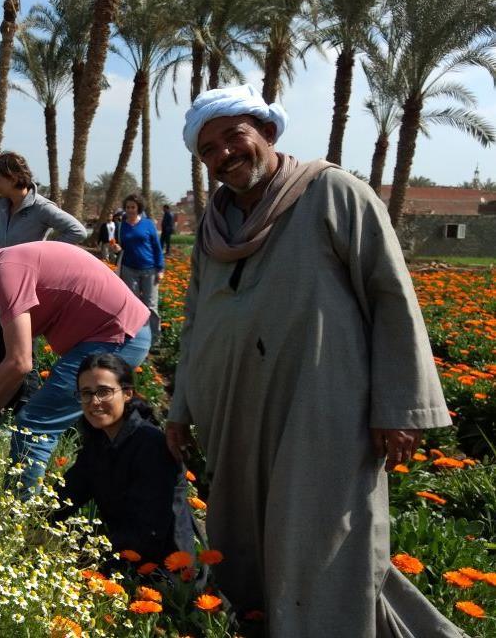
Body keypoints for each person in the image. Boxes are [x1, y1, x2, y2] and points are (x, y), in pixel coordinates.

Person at [167, 83, 461, 637]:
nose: (223, 154)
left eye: (235, 137)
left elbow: (391, 297)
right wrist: (181, 407)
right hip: (232, 413)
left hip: (320, 410)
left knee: (323, 538)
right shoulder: (213, 224)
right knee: (242, 539)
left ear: (268, 132)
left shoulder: (333, 193)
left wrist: (398, 407)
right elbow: (195, 322)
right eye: (208, 149)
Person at [0, 241, 151, 493]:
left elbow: (20, 362)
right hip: (115, 334)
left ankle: (19, 515)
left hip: (119, 335)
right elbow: (14, 361)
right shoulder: (1, 270)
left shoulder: (6, 274)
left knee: (34, 425)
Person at [51, 353, 195, 567]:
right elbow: (64, 496)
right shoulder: (98, 443)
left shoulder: (152, 446)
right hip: (122, 555)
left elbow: (149, 531)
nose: (94, 402)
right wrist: (29, 522)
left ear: (127, 393)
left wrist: (81, 552)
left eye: (104, 392)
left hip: (166, 572)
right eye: (86, 394)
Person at [0, 151, 86, 249]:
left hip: (31, 266)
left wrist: (44, 253)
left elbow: (78, 231)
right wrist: (0, 252)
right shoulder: (3, 205)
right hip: (4, 265)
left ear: (13, 179)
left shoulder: (41, 207)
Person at [118, 194, 164, 348]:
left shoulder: (148, 224)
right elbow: (120, 247)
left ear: (138, 208)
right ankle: (135, 338)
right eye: (128, 207)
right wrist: (116, 249)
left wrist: (160, 268)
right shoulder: (122, 226)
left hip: (149, 270)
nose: (130, 210)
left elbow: (157, 248)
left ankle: (155, 339)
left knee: (151, 305)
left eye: (133, 207)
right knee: (133, 305)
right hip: (129, 270)